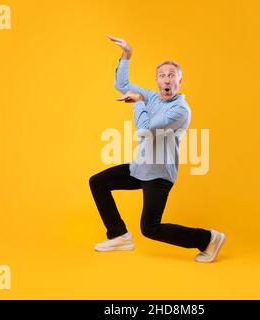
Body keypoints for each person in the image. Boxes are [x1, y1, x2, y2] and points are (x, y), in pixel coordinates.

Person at [88, 35, 226, 262]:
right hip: (139, 168)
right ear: (157, 80)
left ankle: (208, 239)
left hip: (159, 175)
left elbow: (144, 131)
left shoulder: (180, 110)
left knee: (150, 228)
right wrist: (126, 56)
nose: (166, 79)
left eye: (172, 75)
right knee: (98, 182)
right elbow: (121, 85)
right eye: (162, 76)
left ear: (180, 81)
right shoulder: (153, 97)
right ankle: (119, 235)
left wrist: (139, 102)